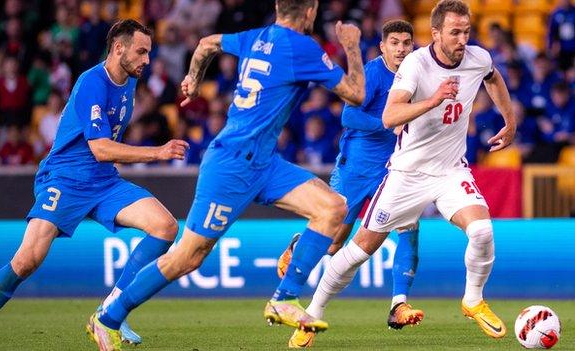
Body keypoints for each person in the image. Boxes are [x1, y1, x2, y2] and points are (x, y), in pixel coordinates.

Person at [91, 0, 366, 349]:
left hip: (264, 162)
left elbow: (206, 43)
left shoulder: (255, 37)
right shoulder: (302, 47)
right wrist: (352, 46)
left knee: (332, 208)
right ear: (310, 11)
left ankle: (284, 297)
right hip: (233, 165)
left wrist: (193, 77)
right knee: (187, 257)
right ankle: (109, 317)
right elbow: (356, 94)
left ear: (279, 6)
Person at [285, 0, 517, 345]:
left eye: (466, 31)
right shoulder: (416, 65)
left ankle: (472, 300)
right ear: (435, 32)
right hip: (407, 174)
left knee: (482, 231)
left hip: (451, 170)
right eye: (455, 32)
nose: (462, 39)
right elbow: (390, 117)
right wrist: (433, 100)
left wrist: (509, 122)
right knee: (357, 249)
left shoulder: (477, 59)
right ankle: (312, 316)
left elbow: (493, 78)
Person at [0, 19, 189, 349]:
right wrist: (158, 152)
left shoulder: (129, 81)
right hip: (65, 179)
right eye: (141, 52)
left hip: (104, 182)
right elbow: (100, 148)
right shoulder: (92, 82)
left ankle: (111, 313)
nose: (146, 60)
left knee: (165, 227)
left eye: (148, 53)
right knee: (27, 260)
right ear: (118, 48)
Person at [276, 20, 424, 348]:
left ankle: (398, 305)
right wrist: (389, 124)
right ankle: (299, 244)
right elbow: (349, 117)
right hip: (356, 167)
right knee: (333, 244)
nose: (401, 48)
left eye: (406, 42)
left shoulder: (418, 73)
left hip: (395, 170)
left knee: (409, 231)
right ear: (383, 47)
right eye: (395, 43)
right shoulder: (372, 73)